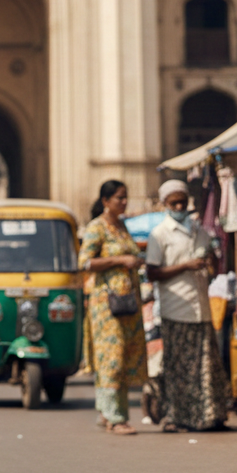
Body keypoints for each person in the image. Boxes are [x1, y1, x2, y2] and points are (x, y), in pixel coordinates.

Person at [146, 179, 229, 432]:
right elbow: (152, 272)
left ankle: (207, 415)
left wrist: (211, 261)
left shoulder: (199, 231)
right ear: (165, 204)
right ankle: (176, 417)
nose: (179, 207)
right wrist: (184, 266)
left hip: (201, 308)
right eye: (174, 203)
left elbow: (214, 266)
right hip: (175, 309)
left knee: (205, 366)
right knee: (178, 368)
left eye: (182, 202)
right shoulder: (159, 234)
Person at [78, 179, 147, 435]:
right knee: (112, 358)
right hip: (107, 305)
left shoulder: (122, 226)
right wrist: (120, 260)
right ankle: (115, 417)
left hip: (128, 302)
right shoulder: (97, 227)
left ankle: (107, 411)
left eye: (126, 197)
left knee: (124, 357)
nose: (125, 202)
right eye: (120, 197)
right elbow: (85, 262)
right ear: (106, 201)